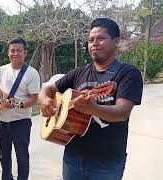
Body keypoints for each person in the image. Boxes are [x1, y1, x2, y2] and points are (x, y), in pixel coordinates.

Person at [38, 18, 143, 180]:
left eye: (101, 38)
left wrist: (93, 109)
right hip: (72, 156)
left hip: (106, 162)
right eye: (90, 40)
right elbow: (48, 88)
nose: (94, 43)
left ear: (116, 41)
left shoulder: (127, 73)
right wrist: (44, 99)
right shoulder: (78, 72)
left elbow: (122, 112)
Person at [0, 37, 40, 180]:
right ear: (8, 52)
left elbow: (33, 99)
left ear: (25, 53)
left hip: (21, 122)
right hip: (1, 121)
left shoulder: (32, 73)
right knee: (4, 156)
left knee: (22, 157)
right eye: (12, 50)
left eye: (19, 50)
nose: (15, 53)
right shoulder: (1, 70)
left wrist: (17, 104)